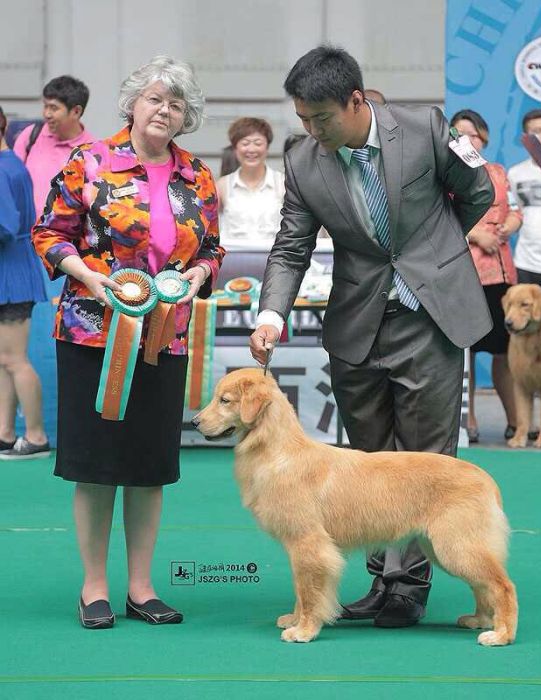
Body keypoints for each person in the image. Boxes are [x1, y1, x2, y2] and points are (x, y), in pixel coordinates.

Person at [250, 46, 494, 628]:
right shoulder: (304, 160)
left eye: (322, 119)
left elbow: (478, 191)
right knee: (366, 462)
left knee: (424, 460)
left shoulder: (426, 127)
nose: (312, 130)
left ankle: (409, 587)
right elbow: (291, 248)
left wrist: (431, 256)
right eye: (303, 119)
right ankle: (381, 581)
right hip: (357, 322)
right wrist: (271, 314)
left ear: (356, 101)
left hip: (429, 319)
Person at [32, 56, 224, 629]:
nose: (164, 110)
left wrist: (197, 275)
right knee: (96, 465)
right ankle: (94, 588)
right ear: (133, 104)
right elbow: (49, 232)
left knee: (149, 464)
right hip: (93, 332)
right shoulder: (89, 161)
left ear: (186, 117)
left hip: (168, 337)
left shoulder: (198, 175)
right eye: (155, 99)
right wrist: (88, 276)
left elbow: (211, 248)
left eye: (177, 104)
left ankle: (141, 587)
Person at [450, 110, 522, 443]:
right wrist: (477, 234)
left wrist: (511, 224)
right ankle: (470, 419)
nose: (467, 141)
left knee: (503, 350)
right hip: (465, 272)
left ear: (484, 138)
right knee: (466, 352)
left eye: (473, 135)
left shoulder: (499, 172)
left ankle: (515, 421)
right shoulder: (448, 174)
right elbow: (443, 218)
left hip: (502, 272)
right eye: (460, 135)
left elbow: (517, 209)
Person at [0, 107, 49, 459]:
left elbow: (4, 225)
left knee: (15, 360)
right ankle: (4, 433)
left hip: (11, 273)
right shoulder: (12, 164)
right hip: (13, 270)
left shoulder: (3, 168)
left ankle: (35, 437)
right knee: (6, 359)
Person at [13, 75, 94, 217]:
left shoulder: (91, 151)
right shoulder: (31, 135)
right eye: (45, 106)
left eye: (54, 108)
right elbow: (11, 180)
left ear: (76, 111)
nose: (47, 114)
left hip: (63, 237)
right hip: (24, 234)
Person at [507, 109, 541, 323]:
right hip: (525, 262)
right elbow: (515, 213)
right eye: (537, 131)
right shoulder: (515, 173)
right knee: (527, 327)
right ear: (526, 138)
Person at [217, 117, 284, 246]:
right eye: (245, 143)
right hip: (234, 261)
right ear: (235, 148)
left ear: (267, 147)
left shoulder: (283, 183)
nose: (251, 149)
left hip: (276, 260)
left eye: (258, 143)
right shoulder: (222, 185)